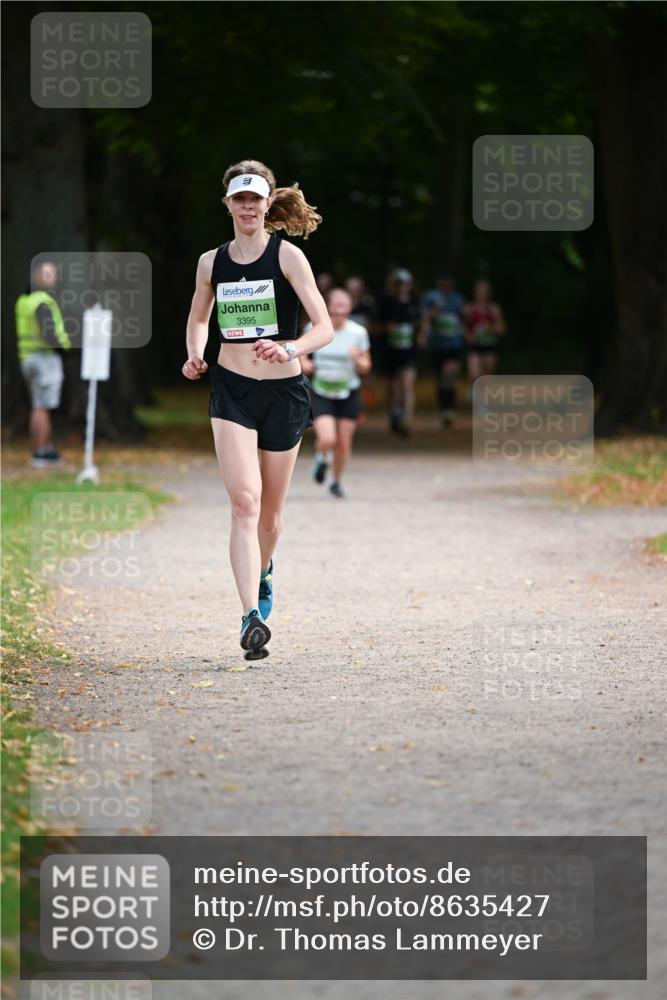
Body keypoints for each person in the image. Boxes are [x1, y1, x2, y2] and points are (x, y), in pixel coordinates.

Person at [182, 159, 333, 660]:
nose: (247, 207)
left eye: (255, 199)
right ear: (227, 204)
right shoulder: (212, 262)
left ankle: (265, 571)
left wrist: (290, 348)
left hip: (284, 394)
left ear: (268, 204)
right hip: (232, 390)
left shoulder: (287, 257)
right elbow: (199, 317)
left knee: (269, 516)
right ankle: (250, 616)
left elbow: (323, 327)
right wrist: (196, 352)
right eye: (239, 199)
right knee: (243, 504)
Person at [301, 288, 371, 499]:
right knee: (327, 438)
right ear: (328, 306)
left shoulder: (358, 333)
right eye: (336, 305)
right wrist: (305, 364)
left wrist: (359, 360)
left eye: (344, 305)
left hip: (348, 391)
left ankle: (336, 481)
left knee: (343, 441)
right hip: (322, 390)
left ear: (350, 308)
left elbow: (366, 366)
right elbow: (300, 352)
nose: (339, 310)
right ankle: (322, 457)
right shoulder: (315, 327)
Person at [16, 260, 72, 467]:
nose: (53, 278)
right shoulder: (43, 301)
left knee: (37, 406)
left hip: (27, 358)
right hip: (44, 358)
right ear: (36, 276)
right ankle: (41, 451)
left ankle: (44, 448)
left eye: (54, 273)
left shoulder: (24, 300)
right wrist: (64, 345)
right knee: (42, 407)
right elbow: (49, 334)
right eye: (47, 274)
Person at [375, 268, 421, 435]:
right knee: (393, 386)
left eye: (405, 284)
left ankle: (407, 421)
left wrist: (421, 333)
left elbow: (421, 323)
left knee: (407, 385)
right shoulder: (386, 303)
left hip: (409, 351)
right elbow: (376, 326)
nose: (402, 287)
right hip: (391, 351)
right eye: (398, 284)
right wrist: (387, 327)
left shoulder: (414, 303)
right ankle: (394, 413)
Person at [419, 275, 466, 426]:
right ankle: (444, 411)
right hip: (437, 345)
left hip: (454, 345)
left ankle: (450, 409)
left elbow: (463, 319)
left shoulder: (457, 299)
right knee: (441, 379)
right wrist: (435, 310)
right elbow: (423, 317)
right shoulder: (430, 297)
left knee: (449, 376)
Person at [464, 279, 506, 384]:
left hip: (489, 346)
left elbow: (501, 329)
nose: (481, 293)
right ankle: (473, 390)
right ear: (475, 292)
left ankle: (483, 397)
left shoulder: (494, 309)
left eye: (484, 291)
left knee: (486, 375)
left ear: (489, 293)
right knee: (474, 374)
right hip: (474, 346)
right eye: (479, 291)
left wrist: (491, 328)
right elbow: (463, 327)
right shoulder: (469, 308)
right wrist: (468, 336)